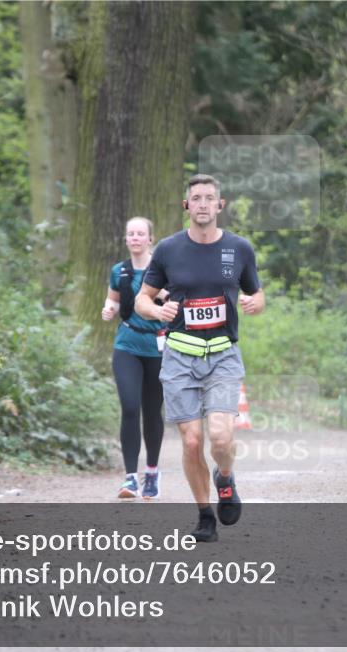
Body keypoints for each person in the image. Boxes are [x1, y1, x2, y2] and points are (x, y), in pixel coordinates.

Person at [136, 174, 265, 543]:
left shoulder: (240, 248)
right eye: (197, 198)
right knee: (192, 442)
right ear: (187, 206)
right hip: (179, 355)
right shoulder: (168, 249)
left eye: (210, 197)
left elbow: (257, 293)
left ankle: (225, 478)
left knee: (221, 439)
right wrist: (154, 311)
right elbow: (144, 298)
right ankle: (204, 514)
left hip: (223, 354)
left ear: (220, 205)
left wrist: (256, 303)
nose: (204, 203)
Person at [101, 217, 167, 500]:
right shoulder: (120, 271)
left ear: (150, 238)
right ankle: (130, 478)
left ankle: (151, 472)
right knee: (130, 407)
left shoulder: (163, 270)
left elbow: (178, 302)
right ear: (126, 239)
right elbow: (113, 299)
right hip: (127, 343)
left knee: (152, 411)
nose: (136, 238)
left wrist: (166, 294)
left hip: (158, 347)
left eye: (141, 234)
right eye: (131, 234)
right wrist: (109, 308)